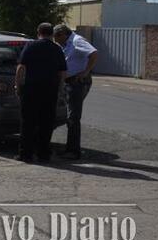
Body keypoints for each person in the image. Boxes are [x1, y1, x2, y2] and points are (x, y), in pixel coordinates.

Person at [14, 22, 67, 163]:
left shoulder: (30, 46)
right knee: (46, 123)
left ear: (39, 32)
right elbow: (62, 72)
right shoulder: (57, 49)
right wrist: (60, 89)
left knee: (28, 123)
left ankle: (25, 154)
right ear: (51, 34)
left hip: (31, 89)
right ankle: (43, 154)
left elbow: (20, 68)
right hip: (50, 90)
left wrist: (18, 85)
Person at [53, 24, 99, 160]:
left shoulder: (77, 40)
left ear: (62, 34)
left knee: (73, 117)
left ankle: (73, 151)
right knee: (70, 116)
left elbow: (94, 53)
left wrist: (86, 71)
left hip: (77, 82)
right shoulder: (67, 43)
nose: (56, 41)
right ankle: (70, 148)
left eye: (56, 38)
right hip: (69, 82)